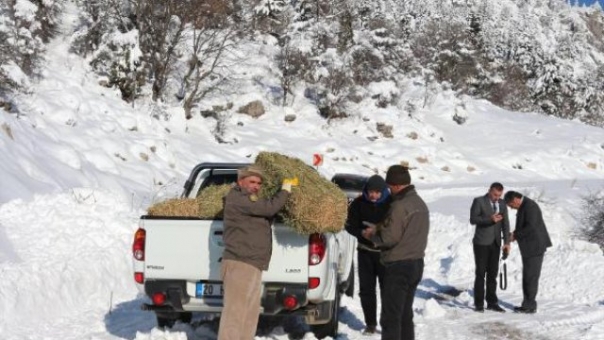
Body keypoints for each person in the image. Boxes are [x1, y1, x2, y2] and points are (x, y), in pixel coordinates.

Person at [218, 165, 297, 340]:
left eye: (259, 183)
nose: (256, 185)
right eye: (252, 181)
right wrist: (284, 190)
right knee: (235, 315)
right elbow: (269, 208)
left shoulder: (251, 200)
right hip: (240, 263)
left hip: (253, 264)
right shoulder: (238, 198)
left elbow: (266, 210)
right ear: (240, 181)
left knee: (250, 315)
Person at [362, 165, 429, 340]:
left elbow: (390, 238)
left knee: (390, 317)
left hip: (399, 266)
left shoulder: (399, 206)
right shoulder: (420, 203)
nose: (389, 190)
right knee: (405, 315)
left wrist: (372, 235)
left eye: (390, 187)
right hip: (416, 263)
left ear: (397, 185)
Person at [345, 175, 391, 335]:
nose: (373, 195)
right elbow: (349, 225)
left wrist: (380, 233)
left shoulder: (392, 204)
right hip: (365, 252)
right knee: (366, 290)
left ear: (383, 191)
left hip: (386, 255)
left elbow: (398, 227)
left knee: (387, 290)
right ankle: (370, 324)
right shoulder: (359, 204)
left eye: (377, 192)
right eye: (371, 192)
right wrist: (361, 233)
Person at [504, 190, 552, 314]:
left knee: (531, 277)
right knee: (528, 276)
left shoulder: (530, 207)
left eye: (510, 204)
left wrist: (515, 235)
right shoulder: (525, 206)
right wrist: (514, 234)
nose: (510, 207)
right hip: (530, 246)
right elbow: (524, 226)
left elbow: (531, 227)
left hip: (534, 247)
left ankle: (530, 306)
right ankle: (527, 304)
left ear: (515, 200)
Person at [469, 182, 511, 313]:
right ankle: (479, 303)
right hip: (481, 243)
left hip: (496, 243)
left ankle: (492, 302)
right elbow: (473, 219)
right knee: (481, 273)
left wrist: (507, 242)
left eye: (499, 195)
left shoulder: (502, 204)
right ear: (489, 191)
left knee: (492, 274)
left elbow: (505, 223)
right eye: (494, 194)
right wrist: (489, 219)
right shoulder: (479, 201)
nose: (496, 198)